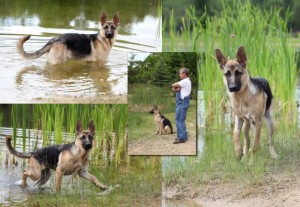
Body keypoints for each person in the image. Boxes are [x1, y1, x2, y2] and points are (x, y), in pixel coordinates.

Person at [172, 68, 191, 144]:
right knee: (181, 120)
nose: (179, 75)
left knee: (178, 120)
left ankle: (181, 138)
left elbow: (173, 85)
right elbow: (175, 89)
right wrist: (177, 89)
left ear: (184, 74)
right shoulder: (186, 82)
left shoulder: (185, 81)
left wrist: (175, 87)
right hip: (183, 103)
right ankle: (184, 136)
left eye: (180, 73)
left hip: (182, 103)